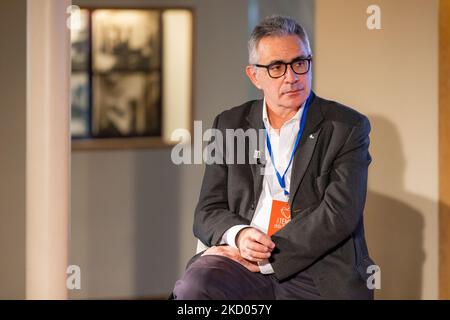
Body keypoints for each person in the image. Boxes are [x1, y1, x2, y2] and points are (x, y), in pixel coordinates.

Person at [172, 15, 375, 300]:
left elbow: (339, 213)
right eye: (277, 67)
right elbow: (207, 211)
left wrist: (267, 255)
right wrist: (240, 236)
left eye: (299, 63)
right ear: (254, 75)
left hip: (316, 268)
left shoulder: (346, 126)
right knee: (195, 288)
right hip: (240, 258)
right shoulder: (230, 123)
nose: (292, 77)